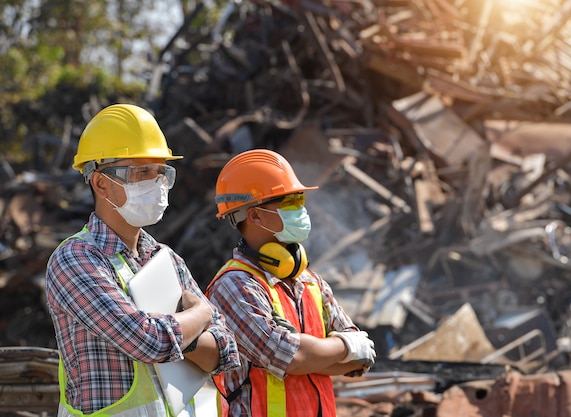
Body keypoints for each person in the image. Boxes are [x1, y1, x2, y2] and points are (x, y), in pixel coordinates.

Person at [45, 103, 240, 417]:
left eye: (162, 171)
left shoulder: (166, 259)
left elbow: (226, 351)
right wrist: (201, 315)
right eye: (142, 172)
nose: (157, 182)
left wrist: (180, 335)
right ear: (100, 183)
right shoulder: (74, 260)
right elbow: (148, 342)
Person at [204, 149, 376, 417]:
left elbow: (360, 361)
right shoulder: (234, 286)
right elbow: (288, 356)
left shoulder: (310, 281)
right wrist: (344, 346)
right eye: (288, 202)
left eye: (299, 199)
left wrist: (310, 352)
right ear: (256, 216)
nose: (301, 209)